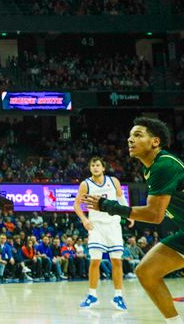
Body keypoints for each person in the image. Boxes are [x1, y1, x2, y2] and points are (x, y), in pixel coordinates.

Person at [82, 117, 184, 324]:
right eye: (129, 136)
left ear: (155, 141)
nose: (130, 140)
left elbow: (155, 215)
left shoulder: (164, 165)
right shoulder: (152, 168)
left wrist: (108, 206)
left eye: (137, 135)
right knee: (146, 272)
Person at [75, 156, 131, 311]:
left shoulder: (113, 181)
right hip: (96, 226)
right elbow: (76, 205)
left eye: (98, 165)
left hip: (113, 226)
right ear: (90, 168)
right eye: (92, 165)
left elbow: (121, 199)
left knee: (117, 261)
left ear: (103, 167)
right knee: (95, 261)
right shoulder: (85, 184)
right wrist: (84, 220)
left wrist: (129, 215)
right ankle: (92, 295)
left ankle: (118, 296)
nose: (95, 167)